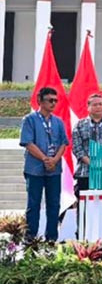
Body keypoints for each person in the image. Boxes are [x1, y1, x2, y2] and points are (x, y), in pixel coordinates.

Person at [20, 87, 68, 242]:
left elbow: (63, 143)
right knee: (33, 204)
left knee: (54, 204)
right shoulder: (29, 119)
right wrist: (45, 159)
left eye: (55, 100)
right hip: (35, 168)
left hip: (54, 169)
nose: (53, 103)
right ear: (40, 101)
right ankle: (30, 238)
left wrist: (54, 160)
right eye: (50, 100)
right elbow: (28, 143)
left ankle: (51, 238)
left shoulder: (58, 121)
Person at [71, 93, 102, 236]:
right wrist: (92, 163)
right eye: (94, 104)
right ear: (88, 107)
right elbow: (77, 148)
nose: (98, 107)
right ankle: (82, 236)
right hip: (85, 173)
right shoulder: (80, 125)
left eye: (100, 104)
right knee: (84, 207)